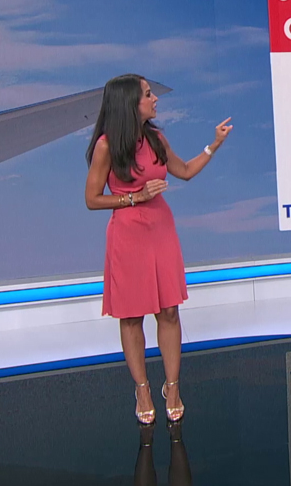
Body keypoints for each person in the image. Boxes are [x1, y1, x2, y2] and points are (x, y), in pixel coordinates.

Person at [85, 73, 232, 424]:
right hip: (127, 235)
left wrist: (214, 145)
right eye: (148, 95)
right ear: (128, 104)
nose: (155, 100)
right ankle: (142, 389)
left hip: (161, 230)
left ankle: (173, 386)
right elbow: (92, 199)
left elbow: (185, 171)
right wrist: (134, 197)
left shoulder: (156, 139)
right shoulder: (107, 146)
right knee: (131, 315)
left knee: (168, 311)